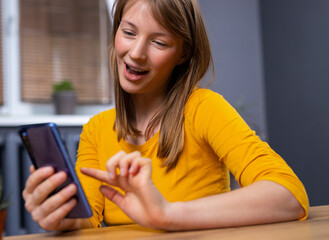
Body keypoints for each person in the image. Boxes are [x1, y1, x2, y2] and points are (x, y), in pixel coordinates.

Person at [22, 0, 309, 231]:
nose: (136, 53)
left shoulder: (203, 108)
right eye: (129, 32)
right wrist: (59, 213)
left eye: (159, 42)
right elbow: (88, 218)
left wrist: (167, 214)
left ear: (183, 54)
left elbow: (289, 195)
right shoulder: (96, 130)